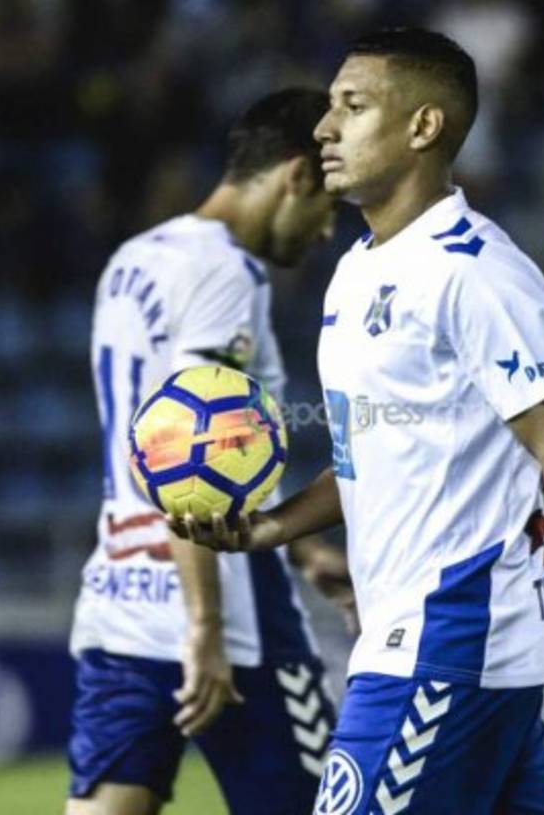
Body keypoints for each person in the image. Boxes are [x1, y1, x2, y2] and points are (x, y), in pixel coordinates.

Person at [177, 29, 544, 814]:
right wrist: (269, 527)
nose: (325, 128)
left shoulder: (476, 271)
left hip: (441, 649)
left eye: (352, 107)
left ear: (424, 128)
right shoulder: (358, 272)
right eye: (328, 108)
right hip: (429, 647)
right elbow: (374, 454)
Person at [66, 88, 353, 815]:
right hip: (227, 607)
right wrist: (203, 627)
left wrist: (299, 548)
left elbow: (185, 442)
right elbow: (189, 447)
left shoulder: (134, 259)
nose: (325, 233)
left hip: (123, 588)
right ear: (296, 176)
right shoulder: (228, 272)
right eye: (329, 206)